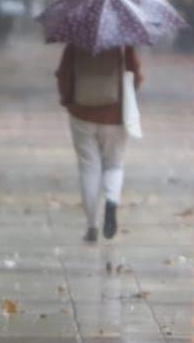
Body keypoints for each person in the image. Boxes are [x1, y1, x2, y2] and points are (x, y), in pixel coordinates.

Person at [57, 42, 141, 244]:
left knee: (88, 167)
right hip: (115, 114)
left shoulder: (76, 42)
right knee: (114, 164)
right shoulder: (122, 43)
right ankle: (112, 200)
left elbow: (64, 75)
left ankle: (92, 226)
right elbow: (135, 75)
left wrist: (69, 102)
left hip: (81, 114)